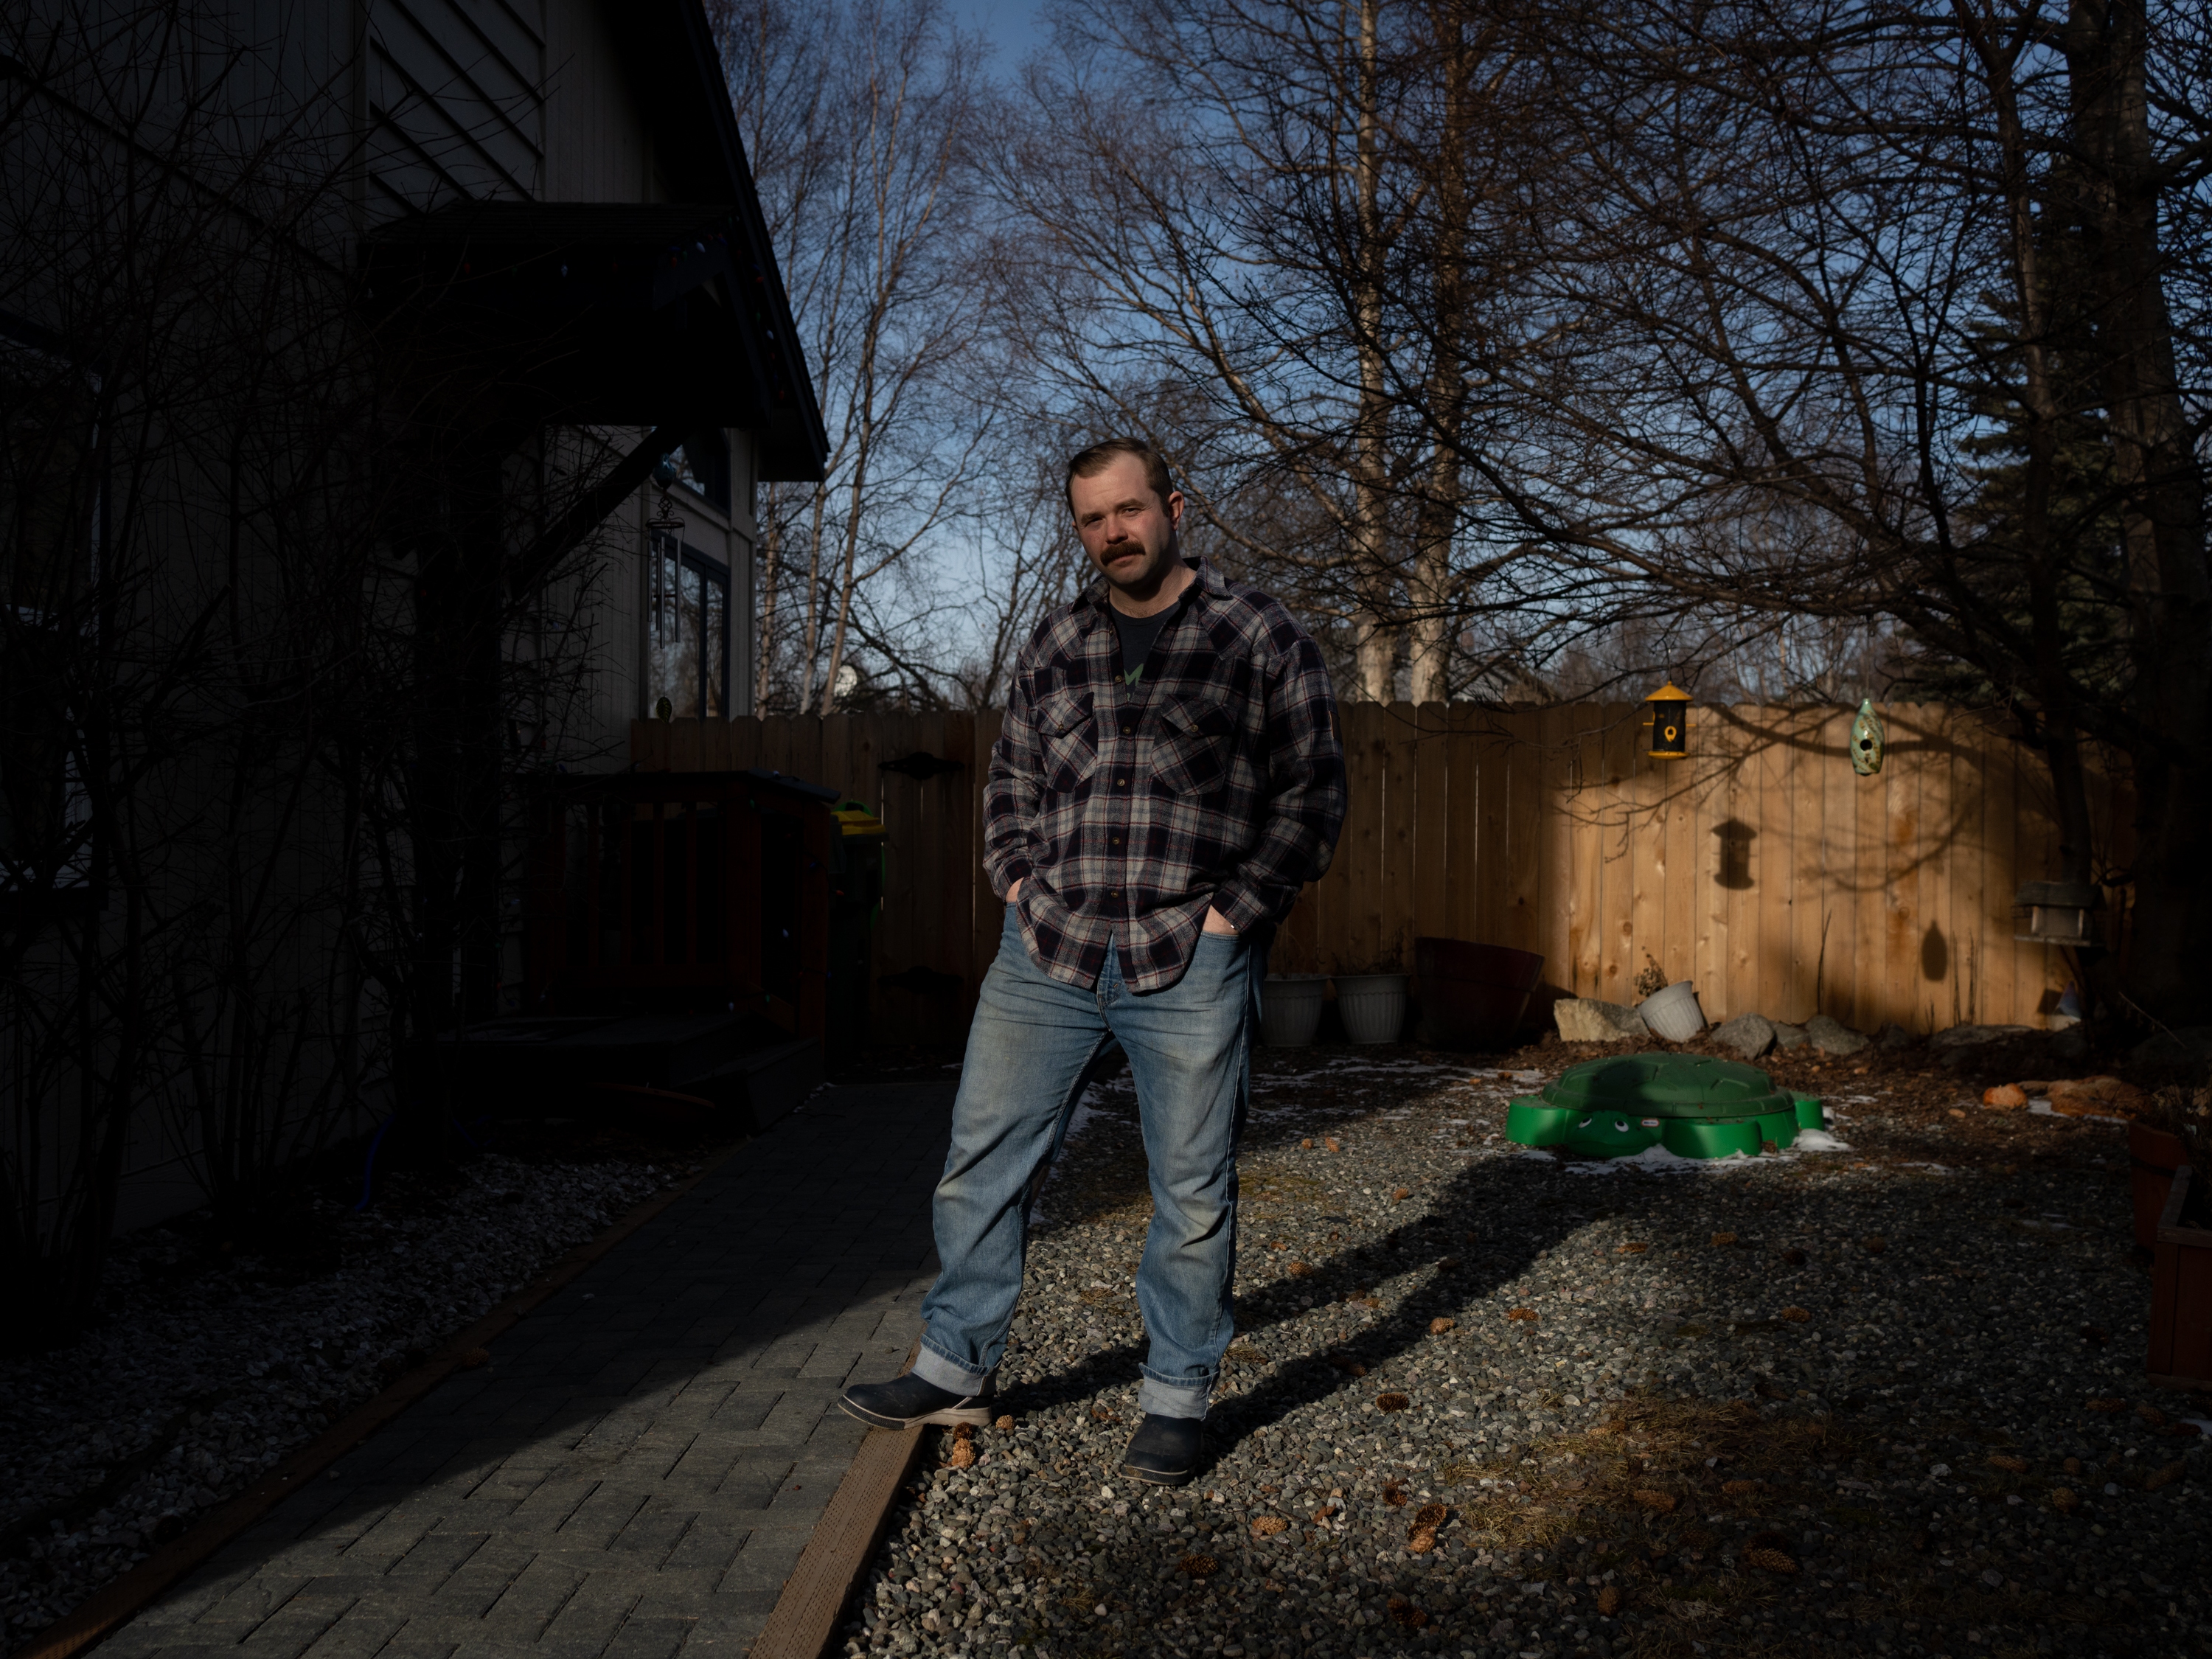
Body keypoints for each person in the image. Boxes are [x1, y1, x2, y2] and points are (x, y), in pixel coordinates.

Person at [839, 437, 1345, 1486]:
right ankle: (951, 1362)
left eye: (1128, 510)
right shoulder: (1057, 640)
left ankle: (1174, 1395)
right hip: (1050, 951)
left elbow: (1312, 793)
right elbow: (1010, 781)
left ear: (1174, 505)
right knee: (981, 1159)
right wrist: (1017, 884)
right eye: (1091, 520)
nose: (1113, 533)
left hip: (1189, 952)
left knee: (1192, 1188)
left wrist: (1236, 914)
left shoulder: (1258, 635)